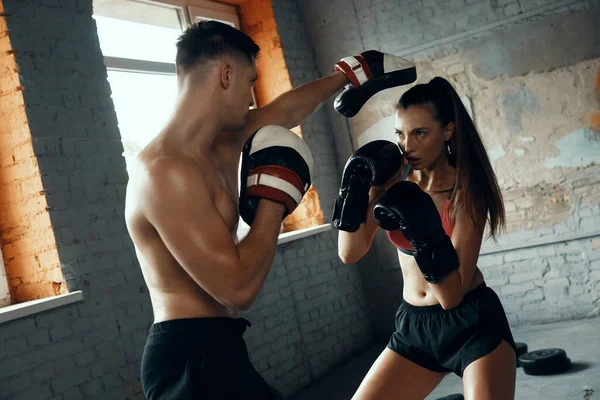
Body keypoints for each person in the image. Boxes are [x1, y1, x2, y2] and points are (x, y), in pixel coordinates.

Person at [124, 20, 416, 399]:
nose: (251, 97)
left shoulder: (219, 146)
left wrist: (348, 74)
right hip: (188, 362)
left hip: (219, 346)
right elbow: (237, 288)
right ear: (226, 74)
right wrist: (273, 202)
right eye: (250, 81)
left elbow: (286, 109)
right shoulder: (166, 172)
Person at [334, 76, 517, 400]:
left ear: (447, 131)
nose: (408, 146)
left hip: (471, 324)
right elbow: (350, 252)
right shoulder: (392, 182)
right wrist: (355, 191)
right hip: (414, 327)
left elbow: (451, 296)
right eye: (400, 134)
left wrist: (420, 227)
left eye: (420, 133)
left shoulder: (466, 193)